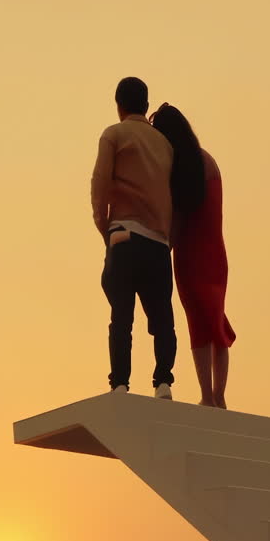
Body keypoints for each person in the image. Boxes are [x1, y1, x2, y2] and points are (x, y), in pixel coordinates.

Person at [91, 77, 177, 399]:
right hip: (158, 242)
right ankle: (164, 381)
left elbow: (100, 186)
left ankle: (120, 384)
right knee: (161, 317)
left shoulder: (114, 135)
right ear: (145, 104)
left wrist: (105, 229)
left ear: (119, 105)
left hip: (124, 234)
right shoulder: (165, 145)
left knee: (121, 317)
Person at [151, 103, 236, 409]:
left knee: (198, 325)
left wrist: (163, 250)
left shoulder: (181, 168)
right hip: (216, 253)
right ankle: (219, 394)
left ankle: (207, 395)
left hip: (190, 256)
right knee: (216, 321)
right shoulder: (208, 161)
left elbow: (178, 220)